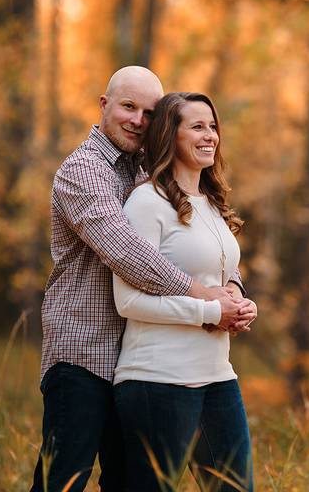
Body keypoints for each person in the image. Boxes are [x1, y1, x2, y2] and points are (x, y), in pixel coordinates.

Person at [30, 67, 256, 492]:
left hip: (132, 356)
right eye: (128, 107)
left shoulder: (148, 171)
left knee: (123, 482)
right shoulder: (83, 170)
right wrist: (208, 300)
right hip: (82, 349)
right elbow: (129, 255)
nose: (138, 120)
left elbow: (205, 246)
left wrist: (234, 290)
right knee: (64, 478)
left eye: (149, 113)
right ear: (104, 105)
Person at [113, 92, 256, 492]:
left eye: (212, 126)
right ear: (169, 136)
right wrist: (212, 313)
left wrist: (240, 301)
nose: (209, 135)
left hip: (217, 376)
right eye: (197, 126)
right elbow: (128, 301)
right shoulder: (146, 203)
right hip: (157, 380)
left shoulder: (211, 203)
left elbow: (221, 274)